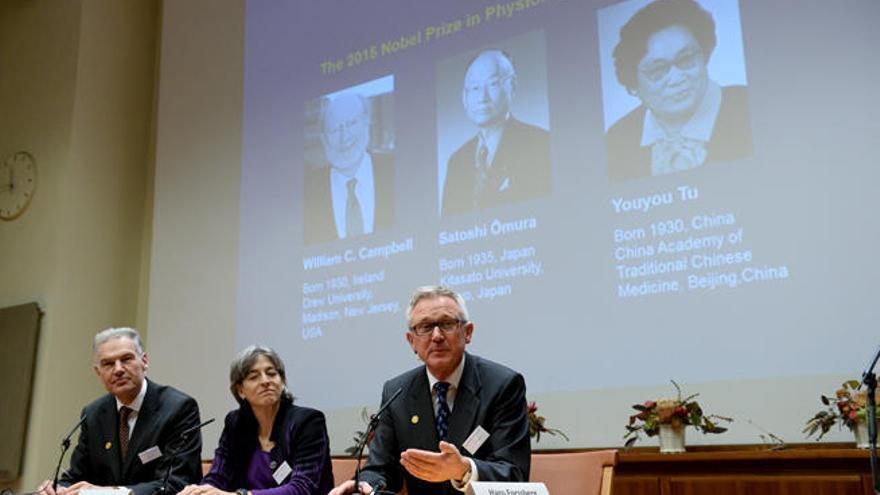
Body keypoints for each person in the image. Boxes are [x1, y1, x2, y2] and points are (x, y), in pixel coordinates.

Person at [330, 286, 530, 495]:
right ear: (412, 341)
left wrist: (464, 470)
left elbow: (514, 473)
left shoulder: (502, 385)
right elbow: (381, 468)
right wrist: (361, 485)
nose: (436, 336)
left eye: (446, 324)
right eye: (425, 327)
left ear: (467, 332)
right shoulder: (397, 392)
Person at [38, 328, 202, 495]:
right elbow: (76, 476)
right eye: (108, 363)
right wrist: (58, 488)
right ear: (98, 373)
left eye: (126, 359)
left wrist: (114, 492)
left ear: (144, 361)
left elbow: (176, 483)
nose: (118, 369)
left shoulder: (178, 408)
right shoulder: (93, 414)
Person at [606, 0, 752, 181]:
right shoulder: (617, 138)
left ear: (704, 56)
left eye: (686, 58)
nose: (676, 78)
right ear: (633, 86)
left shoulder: (750, 105)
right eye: (657, 70)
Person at [179, 346, 334, 495]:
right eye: (254, 377)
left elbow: (302, 488)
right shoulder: (236, 423)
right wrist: (200, 491)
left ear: (282, 381)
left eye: (272, 374)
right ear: (240, 390)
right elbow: (219, 476)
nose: (265, 381)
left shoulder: (308, 422)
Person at [441, 49, 551, 216]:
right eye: (475, 88)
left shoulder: (541, 144)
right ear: (464, 98)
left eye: (492, 84)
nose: (482, 98)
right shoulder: (457, 162)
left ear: (512, 86)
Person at [303, 93, 394, 244]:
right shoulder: (306, 193)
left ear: (367, 122)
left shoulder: (396, 170)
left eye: (351, 123)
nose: (344, 137)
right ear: (324, 138)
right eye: (334, 130)